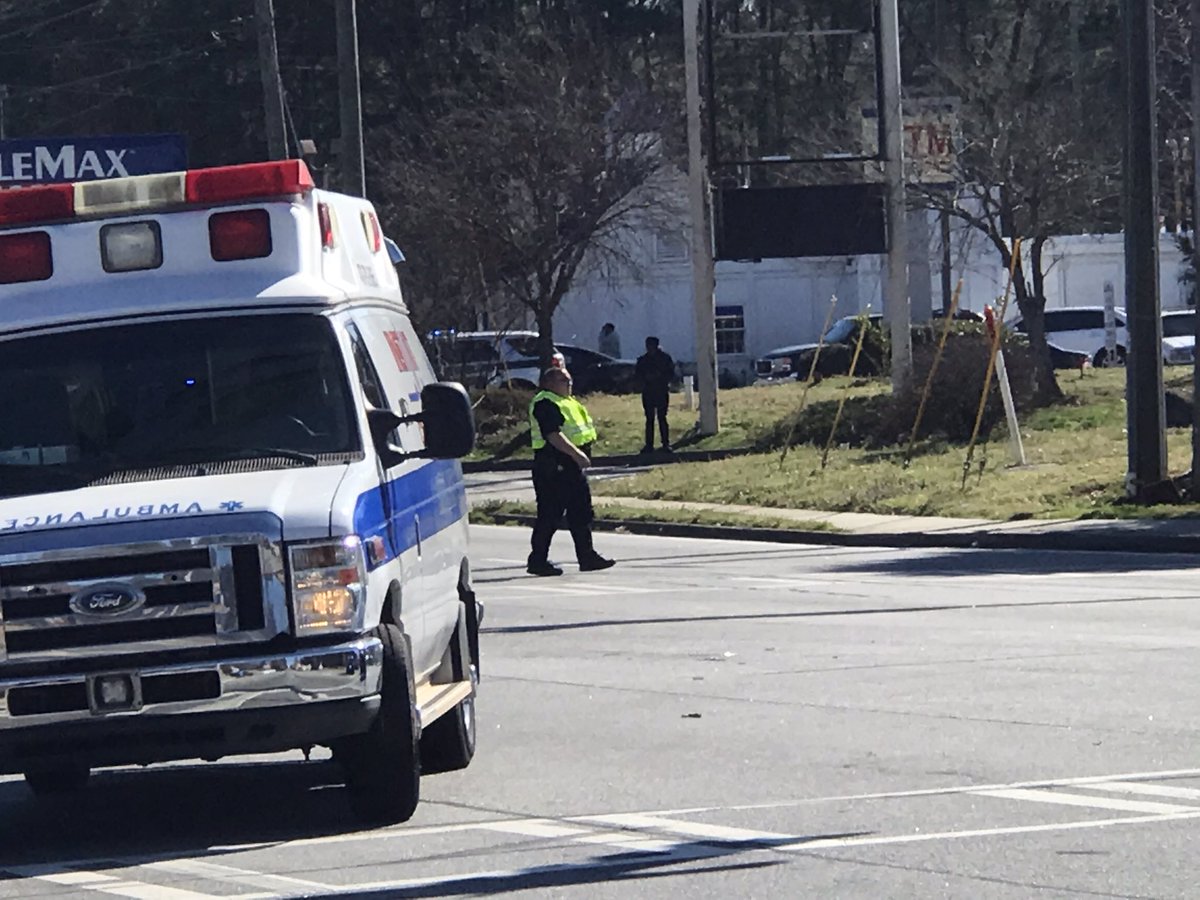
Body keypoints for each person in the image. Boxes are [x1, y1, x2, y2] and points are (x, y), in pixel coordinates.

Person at [526, 366, 616, 577]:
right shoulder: (545, 402)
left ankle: (587, 557)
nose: (569, 384)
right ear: (549, 383)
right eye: (563, 380)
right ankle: (537, 560)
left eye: (569, 380)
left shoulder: (568, 401)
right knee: (550, 515)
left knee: (581, 513)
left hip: (570, 468)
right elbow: (553, 435)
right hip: (553, 467)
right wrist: (577, 455)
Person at [635, 336, 674, 454]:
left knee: (662, 418)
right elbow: (638, 375)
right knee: (649, 419)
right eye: (648, 345)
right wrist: (646, 379)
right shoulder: (643, 360)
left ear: (656, 345)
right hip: (648, 391)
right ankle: (649, 445)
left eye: (651, 345)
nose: (649, 348)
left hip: (661, 391)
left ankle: (666, 444)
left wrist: (660, 378)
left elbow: (671, 373)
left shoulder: (665, 358)